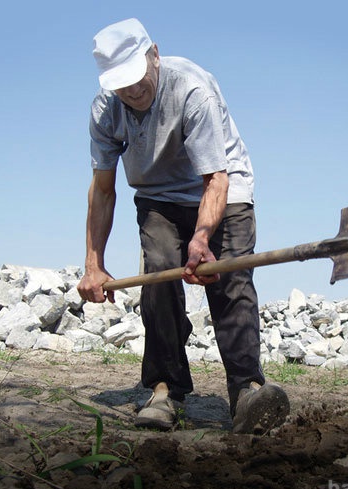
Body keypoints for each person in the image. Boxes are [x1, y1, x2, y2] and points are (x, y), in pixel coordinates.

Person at [77, 18, 289, 433]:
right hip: (158, 196)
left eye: (138, 78)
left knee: (230, 281)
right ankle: (165, 388)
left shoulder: (191, 89)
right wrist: (93, 264)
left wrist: (202, 238)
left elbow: (216, 179)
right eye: (122, 84)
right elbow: (102, 190)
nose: (133, 91)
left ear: (154, 55)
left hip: (223, 189)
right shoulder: (106, 109)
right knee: (157, 274)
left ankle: (246, 390)